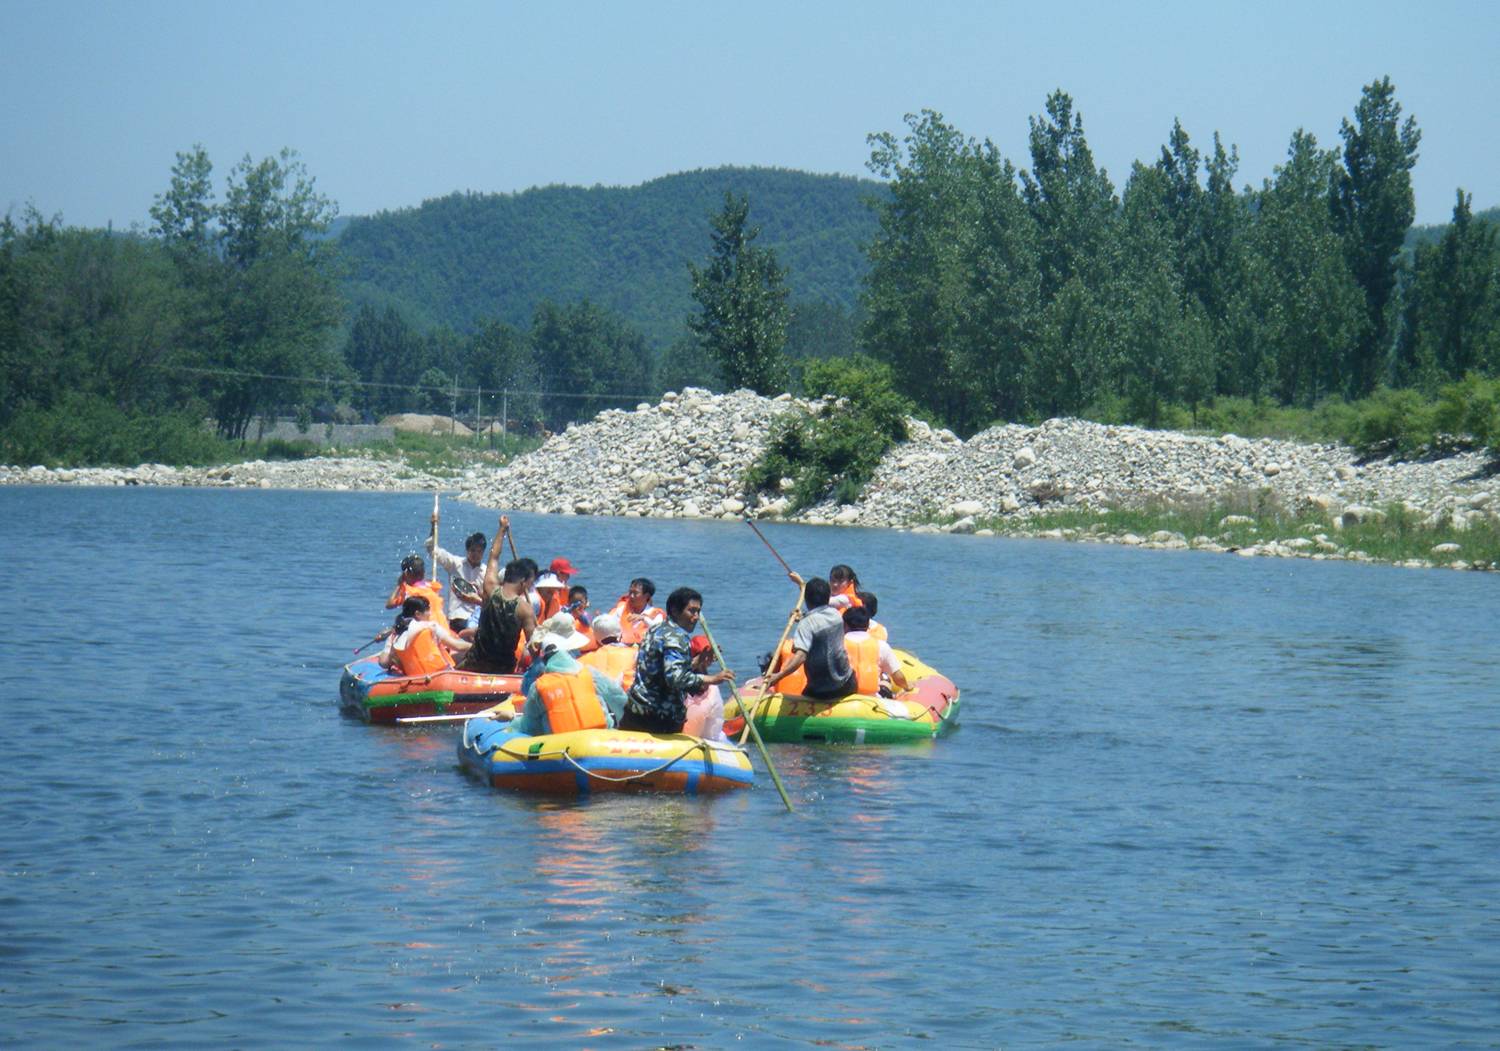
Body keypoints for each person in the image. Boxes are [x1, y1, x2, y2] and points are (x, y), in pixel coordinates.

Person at [621, 587, 734, 733]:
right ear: (674, 610)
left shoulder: (656, 630)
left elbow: (662, 670)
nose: (696, 617)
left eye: (698, 612)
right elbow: (676, 679)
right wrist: (713, 679)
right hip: (657, 718)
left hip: (635, 711)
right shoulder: (676, 637)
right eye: (691, 611)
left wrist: (696, 662)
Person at [513, 620, 627, 737]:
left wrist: (512, 721)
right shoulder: (590, 672)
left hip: (563, 748)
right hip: (602, 738)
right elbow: (619, 700)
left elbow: (529, 727)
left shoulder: (538, 687)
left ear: (544, 660)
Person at [765, 574, 855, 700]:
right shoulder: (836, 615)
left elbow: (801, 656)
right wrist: (802, 616)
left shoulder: (806, 624)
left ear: (807, 600)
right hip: (847, 683)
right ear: (827, 597)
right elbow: (818, 619)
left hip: (823, 690)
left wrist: (778, 676)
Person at [459, 538, 537, 674]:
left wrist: (501, 529)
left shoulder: (489, 589)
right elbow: (533, 646)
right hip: (503, 669)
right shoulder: (525, 609)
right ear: (524, 582)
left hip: (474, 664)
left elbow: (493, 557)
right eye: (531, 581)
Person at [379, 595, 471, 676]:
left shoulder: (395, 635)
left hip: (415, 678)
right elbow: (457, 646)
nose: (430, 613)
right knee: (465, 654)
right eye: (427, 610)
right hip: (441, 675)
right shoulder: (431, 626)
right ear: (417, 614)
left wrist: (394, 658)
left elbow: (383, 662)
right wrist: (477, 646)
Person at [426, 516, 487, 631]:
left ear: (483, 552)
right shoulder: (455, 563)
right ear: (467, 550)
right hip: (457, 616)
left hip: (478, 618)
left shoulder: (486, 572)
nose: (475, 554)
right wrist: (434, 527)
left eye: (479, 551)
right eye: (472, 550)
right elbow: (432, 549)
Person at [842, 605, 908, 694]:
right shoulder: (881, 645)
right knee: (885, 683)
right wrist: (907, 686)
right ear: (868, 625)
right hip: (871, 698)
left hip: (841, 698)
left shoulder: (836, 645)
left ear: (844, 625)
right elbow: (898, 678)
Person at [681, 635, 730, 742]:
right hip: (698, 739)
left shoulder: (676, 681)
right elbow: (713, 732)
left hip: (689, 738)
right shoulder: (711, 689)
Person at [579, 612, 638, 690]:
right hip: (628, 698)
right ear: (621, 634)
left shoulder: (581, 662)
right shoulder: (636, 655)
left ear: (595, 638)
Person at [608, 577, 666, 644]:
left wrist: (644, 618)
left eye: (635, 593)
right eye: (630, 592)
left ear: (646, 596)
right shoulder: (621, 610)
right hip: (621, 650)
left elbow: (658, 631)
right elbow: (609, 627)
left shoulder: (656, 614)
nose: (631, 596)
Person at [385, 554, 444, 621]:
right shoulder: (432, 587)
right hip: (442, 626)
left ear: (406, 574)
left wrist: (399, 585)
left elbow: (389, 605)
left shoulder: (410, 592)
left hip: (428, 628)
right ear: (423, 573)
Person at [534, 556, 579, 621]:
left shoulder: (567, 590)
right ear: (559, 573)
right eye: (567, 574)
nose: (569, 577)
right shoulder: (539, 592)